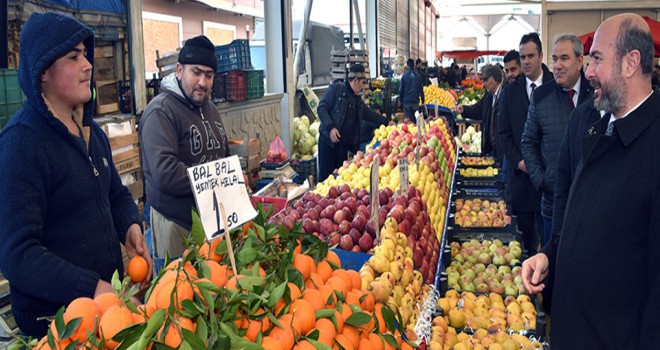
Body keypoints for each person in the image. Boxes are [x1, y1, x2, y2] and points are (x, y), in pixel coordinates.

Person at [0, 12, 152, 338]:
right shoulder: (23, 142)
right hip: (56, 326)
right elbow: (17, 253)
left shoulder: (91, 133)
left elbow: (115, 193)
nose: (88, 65)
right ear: (43, 72)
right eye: (73, 57)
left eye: (85, 54)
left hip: (106, 312)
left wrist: (130, 226)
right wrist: (88, 286)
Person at [523, 14, 660, 348]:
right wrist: (550, 255)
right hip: (574, 328)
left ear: (631, 62)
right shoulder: (596, 124)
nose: (588, 71)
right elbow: (575, 215)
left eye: (597, 58)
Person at [140, 35, 229, 260]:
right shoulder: (160, 112)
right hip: (175, 223)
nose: (202, 82)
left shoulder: (210, 109)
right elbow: (165, 173)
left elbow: (223, 156)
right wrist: (217, 177)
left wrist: (233, 175)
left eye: (208, 75)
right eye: (196, 72)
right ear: (180, 70)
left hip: (210, 220)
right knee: (177, 289)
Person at [521, 34, 593, 247]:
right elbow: (528, 142)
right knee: (551, 266)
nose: (558, 65)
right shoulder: (541, 96)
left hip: (589, 204)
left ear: (580, 61)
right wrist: (542, 180)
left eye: (564, 58)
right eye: (554, 59)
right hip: (552, 205)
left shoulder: (597, 95)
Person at [497, 32, 553, 255]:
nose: (526, 61)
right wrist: (519, 162)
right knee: (523, 246)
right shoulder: (510, 92)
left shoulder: (555, 85)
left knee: (550, 244)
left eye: (531, 56)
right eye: (523, 57)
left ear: (540, 55)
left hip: (551, 182)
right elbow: (504, 134)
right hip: (521, 180)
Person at [317, 64, 390, 182]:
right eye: (362, 83)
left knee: (339, 181)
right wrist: (331, 128)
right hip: (328, 144)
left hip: (342, 147)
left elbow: (370, 115)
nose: (363, 87)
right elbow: (321, 108)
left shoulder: (357, 101)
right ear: (355, 81)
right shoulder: (336, 89)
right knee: (326, 180)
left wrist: (386, 122)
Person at [455, 65, 504, 159]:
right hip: (491, 148)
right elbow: (478, 110)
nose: (483, 84)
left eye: (486, 80)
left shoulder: (504, 96)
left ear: (495, 79)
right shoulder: (488, 95)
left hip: (501, 149)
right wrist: (464, 109)